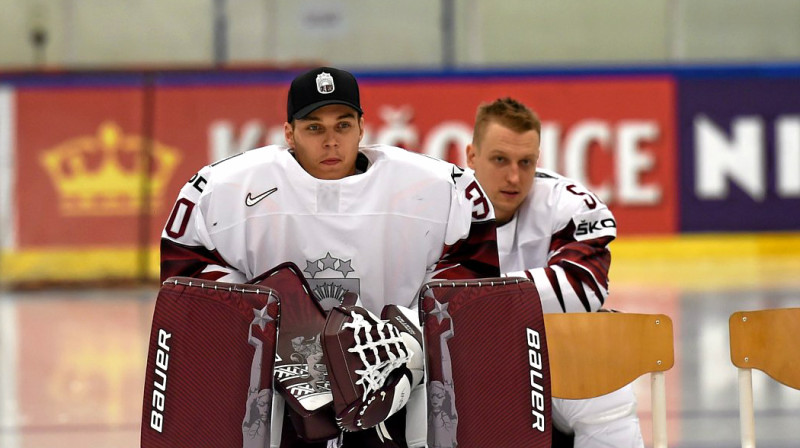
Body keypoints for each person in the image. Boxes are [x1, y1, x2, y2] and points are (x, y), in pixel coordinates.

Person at [159, 66, 499, 447]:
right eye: (315, 128)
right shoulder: (229, 188)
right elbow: (185, 266)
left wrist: (409, 334)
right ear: (289, 133)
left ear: (361, 128)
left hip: (392, 385)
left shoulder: (433, 186)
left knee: (433, 400)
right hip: (280, 389)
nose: (331, 141)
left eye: (342, 125)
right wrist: (265, 327)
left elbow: (475, 265)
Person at [465, 97, 644, 448]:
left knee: (604, 382)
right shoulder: (433, 207)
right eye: (500, 159)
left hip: (547, 357)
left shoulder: (569, 205)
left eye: (526, 162)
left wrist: (469, 304)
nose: (514, 177)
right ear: (472, 156)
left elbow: (582, 291)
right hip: (457, 363)